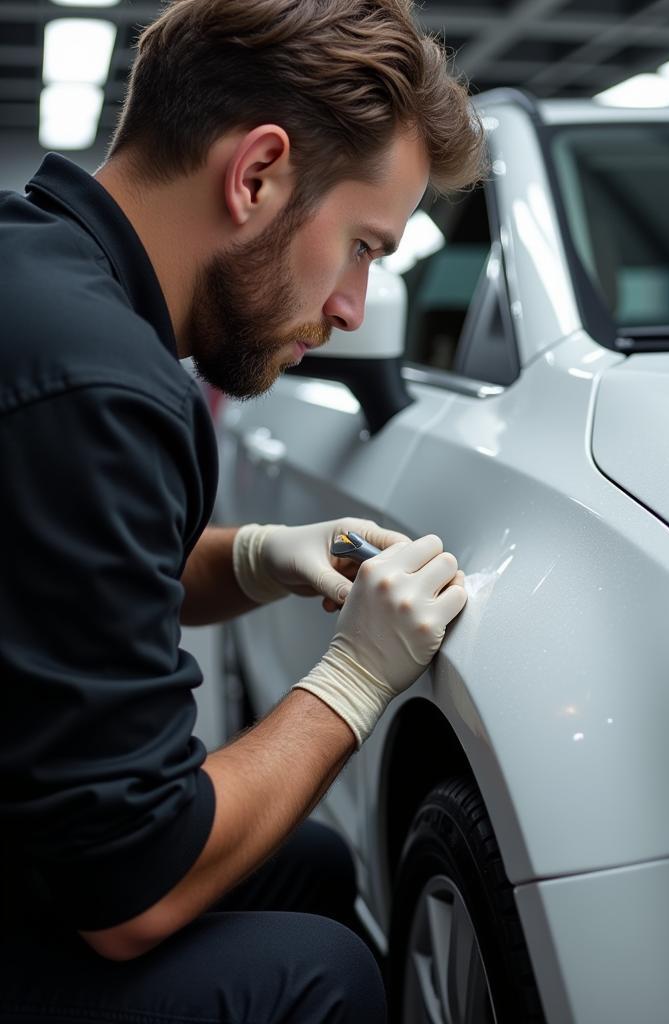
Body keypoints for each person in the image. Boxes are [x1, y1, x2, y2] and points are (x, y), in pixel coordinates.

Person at [0, 0, 485, 1019]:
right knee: (326, 974)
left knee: (305, 861)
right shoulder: (103, 384)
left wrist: (258, 556)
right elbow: (132, 889)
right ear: (256, 175)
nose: (353, 305)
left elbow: (64, 590)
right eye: (362, 244)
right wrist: (355, 679)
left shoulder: (39, 279)